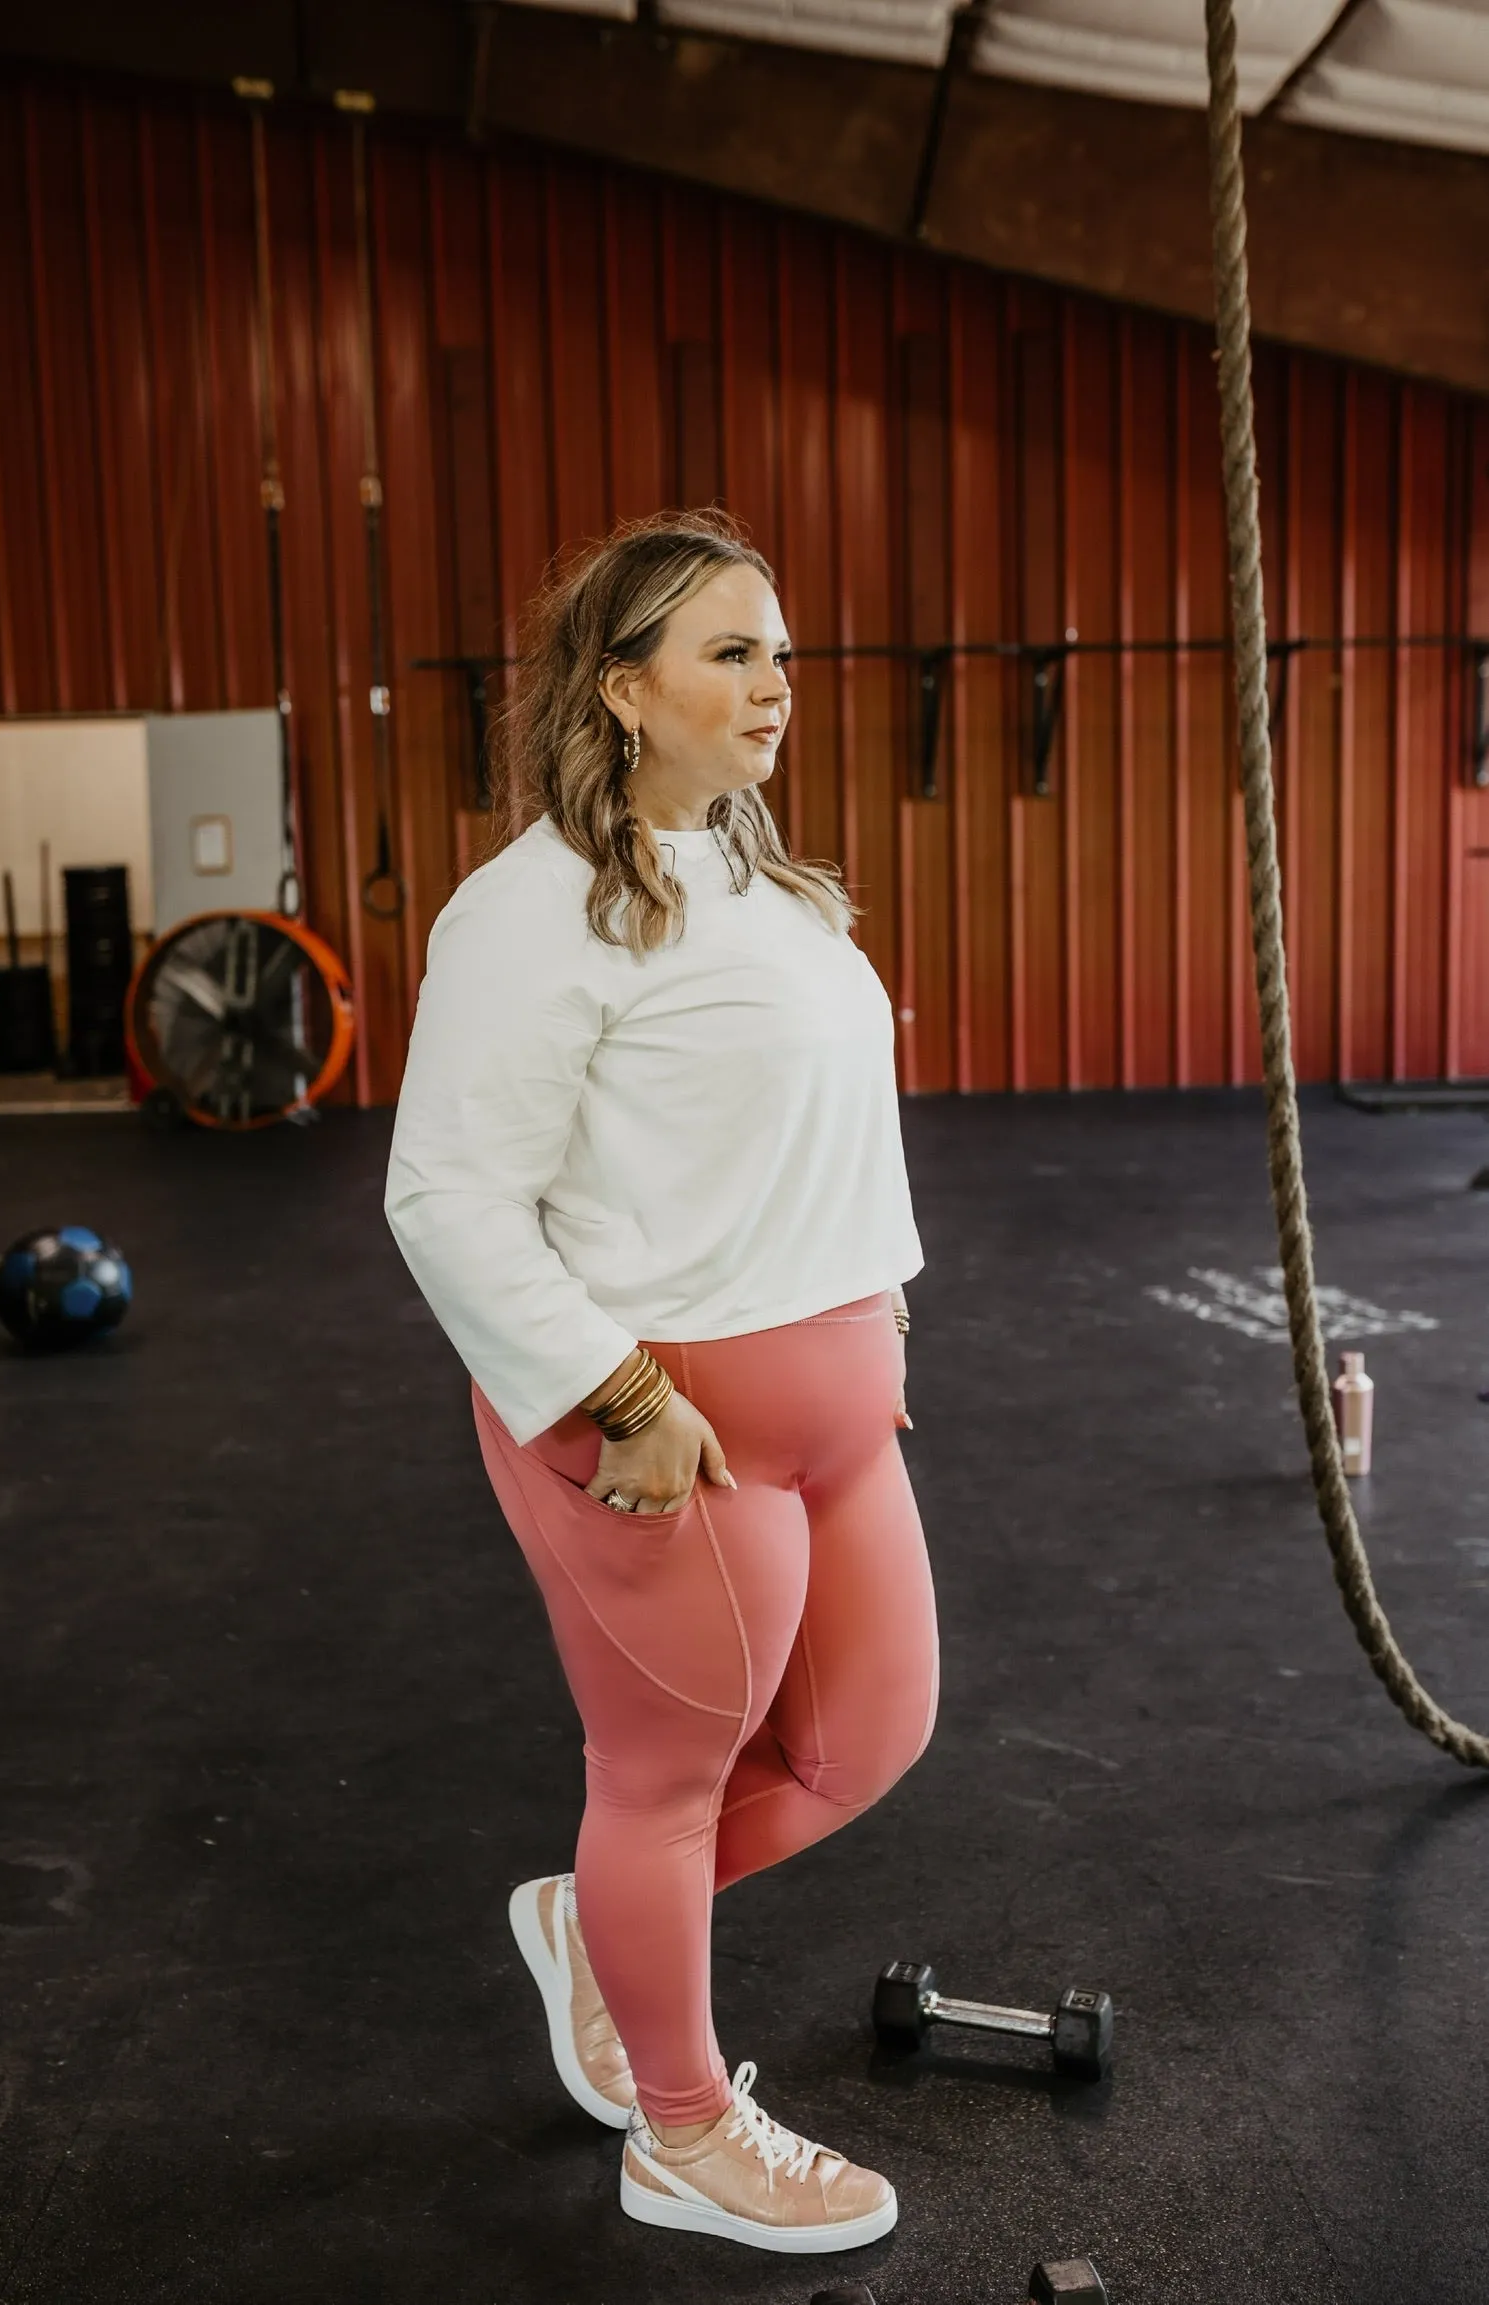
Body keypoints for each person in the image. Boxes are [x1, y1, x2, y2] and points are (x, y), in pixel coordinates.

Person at [384, 509, 938, 2256]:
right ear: (621, 689)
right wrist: (618, 1396)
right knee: (666, 1783)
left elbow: (820, 1136)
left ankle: (595, 1928)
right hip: (666, 1429)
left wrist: (879, 1313)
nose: (777, 683)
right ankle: (681, 2136)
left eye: (781, 652)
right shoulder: (529, 911)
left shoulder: (766, 883)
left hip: (836, 1411)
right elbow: (445, 1197)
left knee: (866, 1738)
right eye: (731, 652)